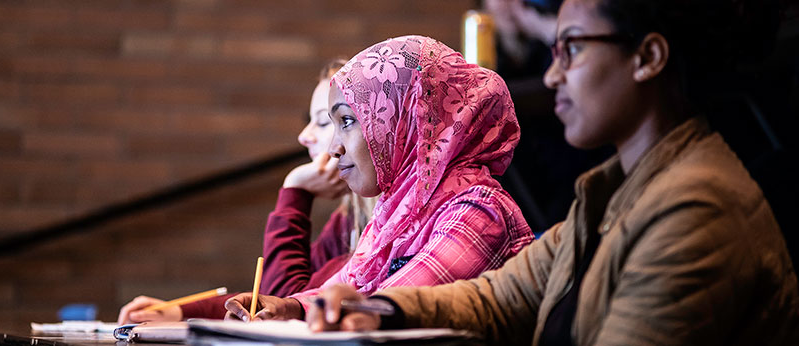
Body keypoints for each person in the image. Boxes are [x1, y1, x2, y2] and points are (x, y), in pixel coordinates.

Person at [309, 0, 799, 344]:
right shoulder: (612, 193)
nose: (551, 75)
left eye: (573, 48)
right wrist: (372, 309)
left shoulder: (695, 208)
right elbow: (501, 298)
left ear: (648, 57)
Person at [223, 35, 534, 322]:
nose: (334, 147)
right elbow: (346, 287)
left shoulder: (479, 212)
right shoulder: (395, 211)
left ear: (405, 121)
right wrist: (289, 307)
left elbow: (386, 308)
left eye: (347, 121)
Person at [116, 61, 377, 324]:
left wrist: (295, 191)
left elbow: (285, 304)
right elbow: (278, 302)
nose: (303, 136)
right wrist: (180, 311)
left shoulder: (384, 224)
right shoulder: (348, 219)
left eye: (325, 122)